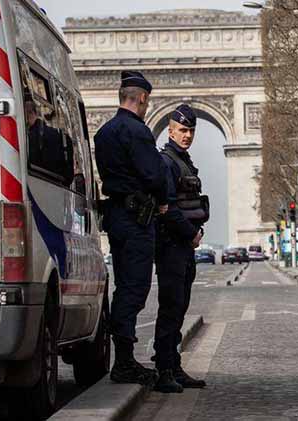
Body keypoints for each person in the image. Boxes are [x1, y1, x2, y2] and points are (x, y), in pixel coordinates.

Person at [94, 71, 167, 386]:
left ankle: (122, 358)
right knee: (135, 289)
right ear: (142, 99)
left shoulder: (103, 132)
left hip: (116, 216)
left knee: (123, 286)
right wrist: (163, 199)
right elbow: (153, 175)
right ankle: (124, 364)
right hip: (138, 219)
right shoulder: (137, 131)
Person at [151, 103, 209, 393]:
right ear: (170, 130)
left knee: (180, 307)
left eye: (191, 131)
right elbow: (167, 208)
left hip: (184, 245)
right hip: (173, 245)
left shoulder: (183, 161)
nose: (187, 135)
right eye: (182, 130)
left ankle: (173, 365)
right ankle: (163, 370)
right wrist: (190, 234)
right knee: (170, 308)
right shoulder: (166, 162)